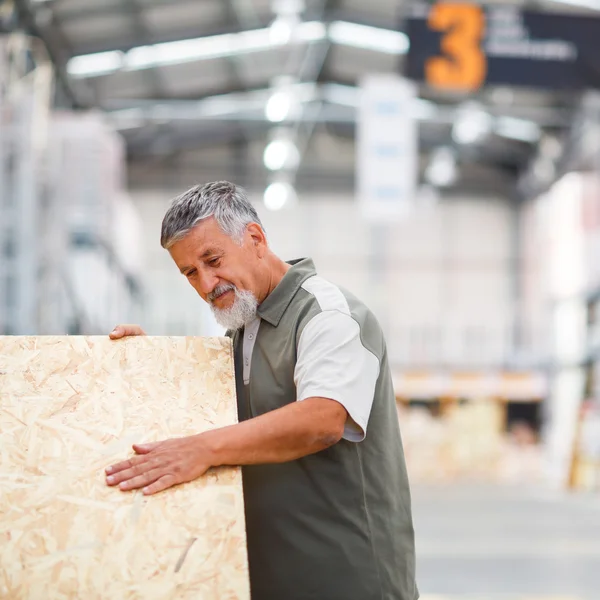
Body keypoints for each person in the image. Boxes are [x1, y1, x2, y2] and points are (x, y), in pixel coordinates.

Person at [106, 181, 419, 600]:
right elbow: (215, 413)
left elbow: (322, 420)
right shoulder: (244, 328)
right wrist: (150, 363)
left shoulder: (327, 315)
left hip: (347, 579)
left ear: (255, 238)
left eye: (212, 260)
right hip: (270, 579)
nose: (205, 283)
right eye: (190, 273)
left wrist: (202, 449)